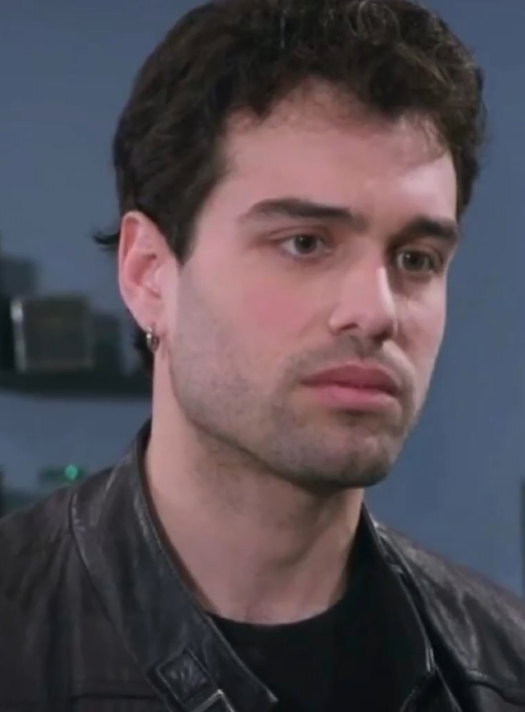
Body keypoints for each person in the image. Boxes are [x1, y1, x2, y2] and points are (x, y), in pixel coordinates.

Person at [1, 0, 524, 710]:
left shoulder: (502, 669)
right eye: (304, 243)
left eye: (415, 258)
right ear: (149, 275)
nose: (376, 311)